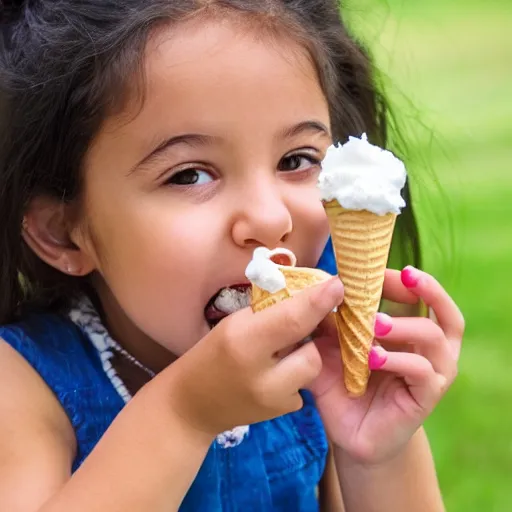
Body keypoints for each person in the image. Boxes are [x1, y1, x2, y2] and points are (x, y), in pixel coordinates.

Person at [0, 1, 465, 510]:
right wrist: (184, 413)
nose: (270, 219)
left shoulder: (322, 357)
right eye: (190, 174)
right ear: (64, 233)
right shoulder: (23, 382)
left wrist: (378, 453)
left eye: (296, 160)